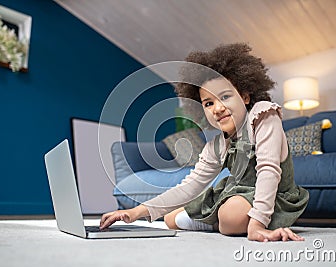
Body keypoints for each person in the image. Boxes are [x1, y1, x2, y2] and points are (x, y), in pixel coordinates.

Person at [100, 43, 309, 242]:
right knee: (170, 220)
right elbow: (190, 186)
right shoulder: (217, 145)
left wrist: (257, 226)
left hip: (273, 197)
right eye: (208, 103)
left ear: (245, 96)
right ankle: (214, 220)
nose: (217, 109)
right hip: (235, 195)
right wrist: (135, 212)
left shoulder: (263, 115)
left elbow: (268, 171)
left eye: (225, 97)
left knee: (231, 216)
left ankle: (216, 221)